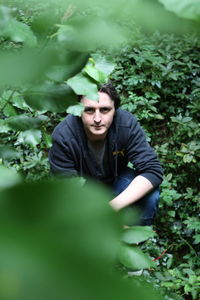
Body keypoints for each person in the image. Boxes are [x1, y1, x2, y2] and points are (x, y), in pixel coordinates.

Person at [48, 83, 163, 225]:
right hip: (82, 191)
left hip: (115, 181)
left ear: (114, 110)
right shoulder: (64, 135)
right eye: (89, 110)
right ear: (78, 111)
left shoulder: (125, 124)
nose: (97, 119)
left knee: (151, 195)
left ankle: (135, 237)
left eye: (105, 110)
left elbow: (153, 171)